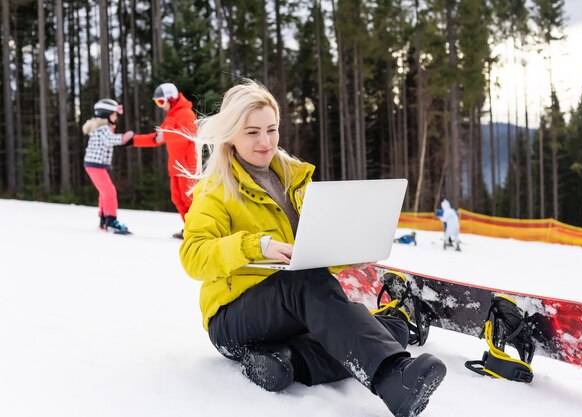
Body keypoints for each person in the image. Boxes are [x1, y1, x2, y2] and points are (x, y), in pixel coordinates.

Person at [179, 80, 446, 417]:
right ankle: (391, 377)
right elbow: (193, 257)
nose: (265, 141)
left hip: (290, 313)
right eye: (252, 132)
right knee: (310, 286)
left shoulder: (294, 178)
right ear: (231, 134)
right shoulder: (216, 189)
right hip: (233, 321)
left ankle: (288, 362)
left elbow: (310, 252)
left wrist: (346, 251)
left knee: (389, 327)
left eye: (271, 129)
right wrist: (255, 245)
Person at [131, 83, 197, 239]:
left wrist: (166, 135)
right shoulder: (171, 116)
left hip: (187, 167)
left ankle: (196, 231)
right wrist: (133, 140)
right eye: (157, 102)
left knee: (189, 201)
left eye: (161, 102)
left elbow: (189, 135)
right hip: (175, 166)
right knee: (177, 199)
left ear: (171, 98)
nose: (160, 106)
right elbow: (156, 138)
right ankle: (189, 229)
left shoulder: (186, 113)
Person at [83, 98, 134, 234]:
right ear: (107, 114)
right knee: (110, 192)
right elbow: (110, 140)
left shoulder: (102, 127)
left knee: (104, 192)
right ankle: (111, 221)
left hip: (95, 165)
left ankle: (104, 219)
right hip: (95, 165)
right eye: (114, 114)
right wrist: (125, 137)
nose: (116, 117)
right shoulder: (103, 128)